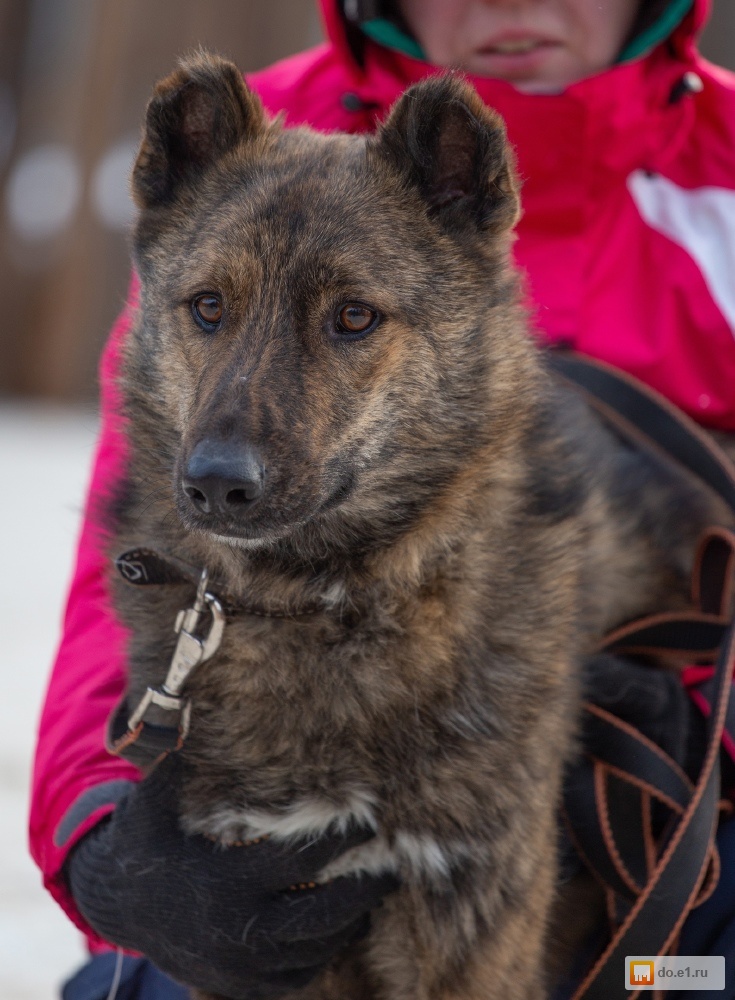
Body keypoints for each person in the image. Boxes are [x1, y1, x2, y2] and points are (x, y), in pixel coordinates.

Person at [30, 1, 735, 998]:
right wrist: (104, 843)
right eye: (211, 312)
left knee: (697, 981)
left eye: (351, 317)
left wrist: (714, 719)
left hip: (671, 847)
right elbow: (131, 559)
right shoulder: (247, 147)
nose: (513, 4)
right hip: (261, 736)